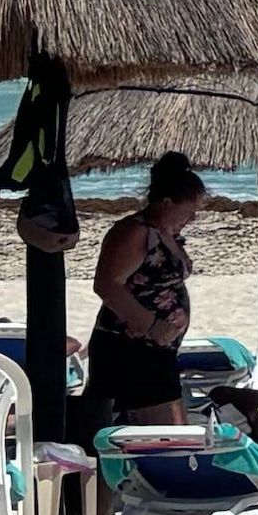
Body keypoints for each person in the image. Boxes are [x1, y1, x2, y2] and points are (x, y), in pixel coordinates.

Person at [88, 154, 210, 434]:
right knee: (167, 437)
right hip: (129, 347)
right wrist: (152, 325)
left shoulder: (165, 231)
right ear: (167, 202)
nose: (193, 217)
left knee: (168, 435)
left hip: (155, 349)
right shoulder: (134, 232)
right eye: (189, 210)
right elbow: (106, 284)